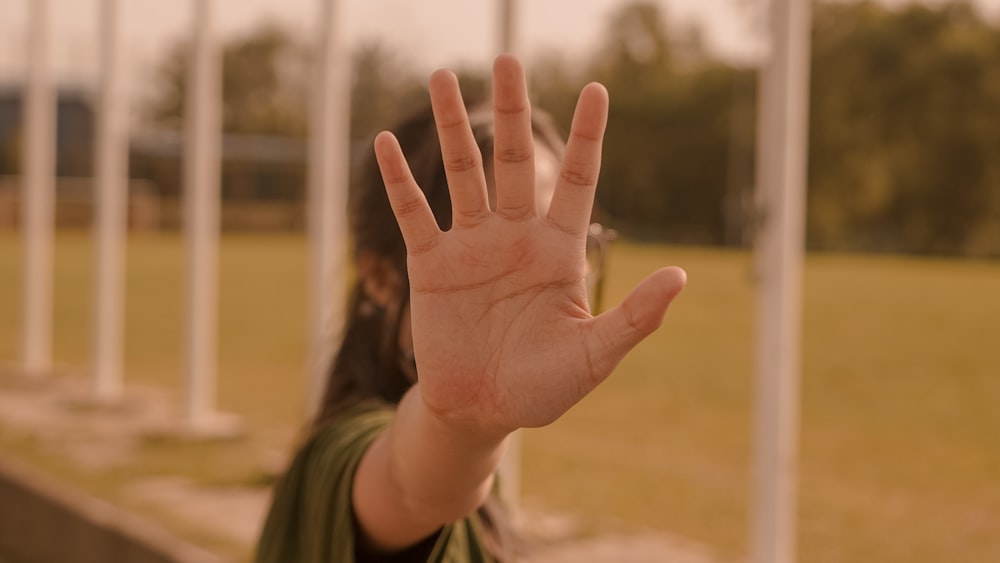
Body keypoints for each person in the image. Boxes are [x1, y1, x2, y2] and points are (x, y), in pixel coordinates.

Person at [255, 54, 687, 563]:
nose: (546, 275)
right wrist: (461, 428)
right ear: (379, 277)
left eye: (564, 237)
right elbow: (410, 488)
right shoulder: (338, 460)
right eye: (497, 243)